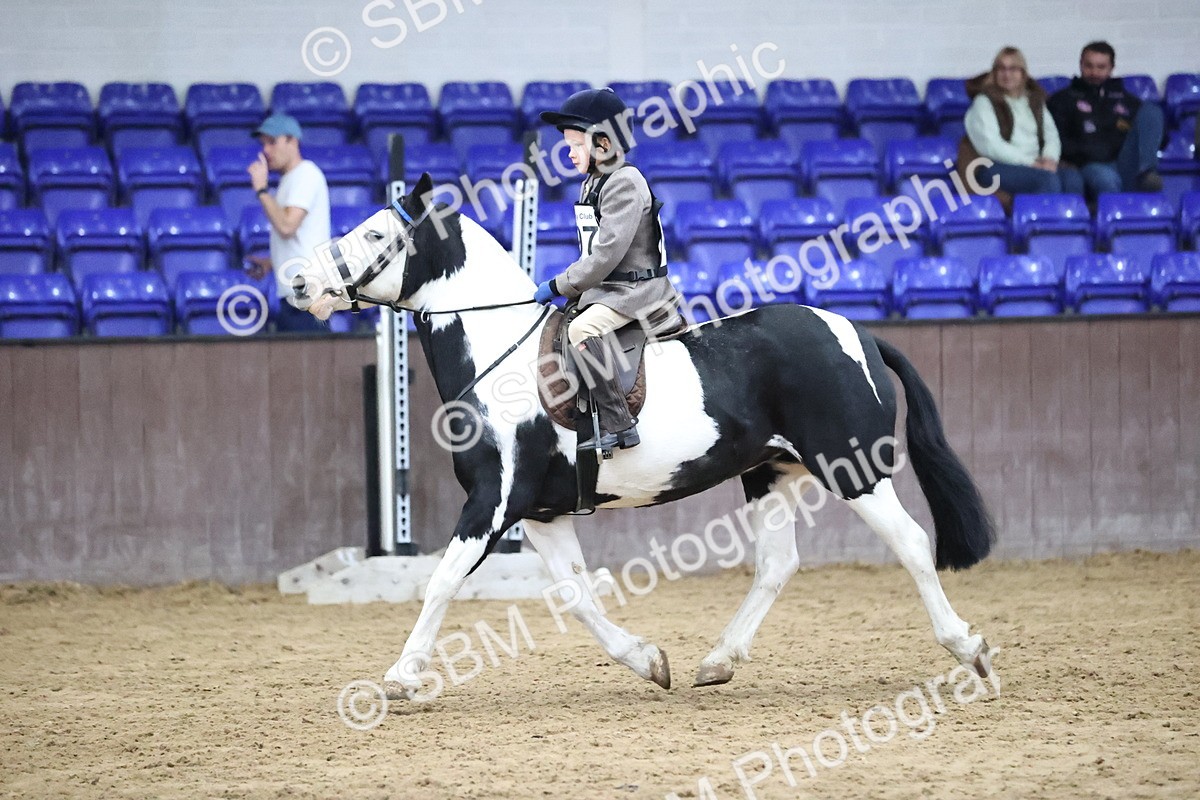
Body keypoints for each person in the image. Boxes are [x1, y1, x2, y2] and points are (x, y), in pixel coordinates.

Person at [536, 88, 684, 452]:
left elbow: (604, 256)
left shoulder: (623, 182)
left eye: (576, 144)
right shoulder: (595, 181)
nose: (569, 153)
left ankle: (618, 423)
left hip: (635, 291)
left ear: (603, 143)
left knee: (582, 328)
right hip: (611, 288)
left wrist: (561, 284)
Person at [246, 114, 331, 333]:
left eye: (272, 142)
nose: (266, 150)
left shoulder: (306, 175)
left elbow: (286, 227)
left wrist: (261, 190)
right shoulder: (290, 180)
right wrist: (271, 263)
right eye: (263, 143)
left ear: (292, 141)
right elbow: (301, 237)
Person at [1047, 41, 1165, 199]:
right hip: (1089, 163)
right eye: (1088, 66)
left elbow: (1157, 135)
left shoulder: (1126, 100)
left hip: (1125, 162)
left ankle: (1146, 171)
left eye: (1101, 67)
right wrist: (1091, 151)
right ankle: (1117, 218)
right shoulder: (1062, 100)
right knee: (1106, 180)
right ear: (1080, 64)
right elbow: (1058, 141)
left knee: (1151, 110)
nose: (1094, 72)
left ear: (1111, 68)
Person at [963, 47, 1083, 198]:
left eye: (1013, 69)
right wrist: (1030, 163)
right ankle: (1042, 221)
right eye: (1001, 69)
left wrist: (1049, 159)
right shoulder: (984, 102)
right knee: (1046, 180)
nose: (1007, 74)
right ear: (994, 72)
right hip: (996, 165)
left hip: (1035, 163)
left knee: (1073, 179)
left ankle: (1067, 222)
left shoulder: (1034, 100)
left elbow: (1051, 134)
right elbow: (991, 146)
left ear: (1023, 73)